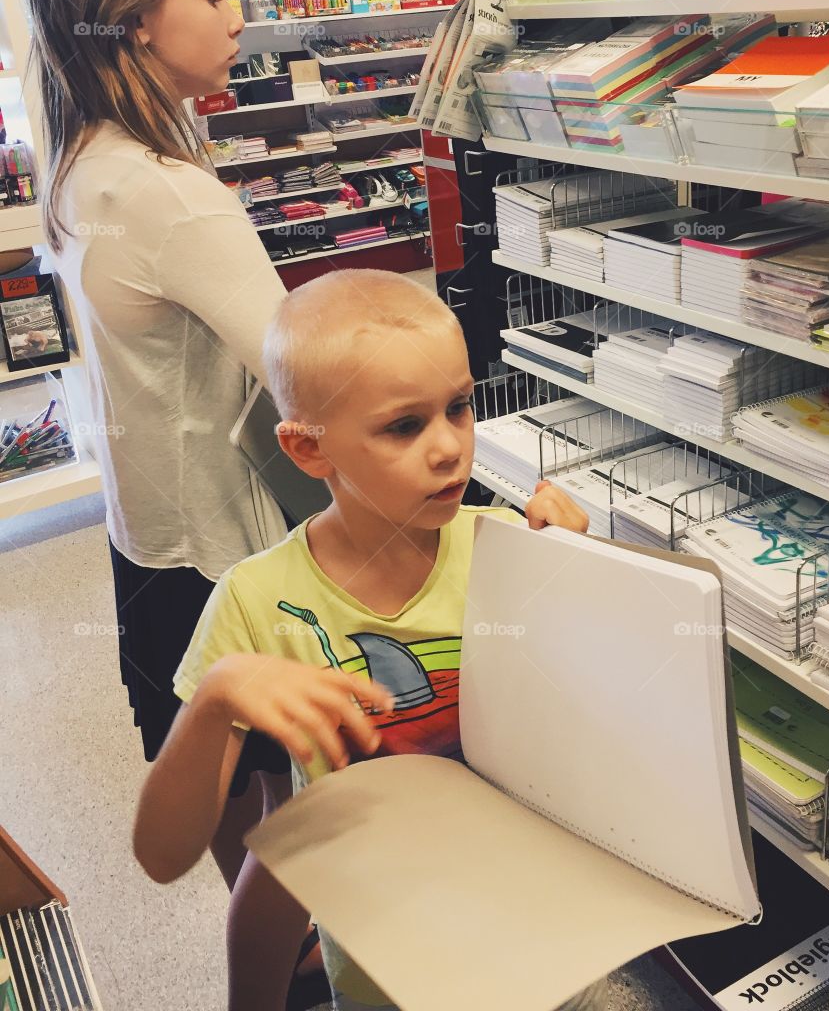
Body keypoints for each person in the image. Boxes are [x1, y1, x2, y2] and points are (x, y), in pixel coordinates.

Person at [133, 269, 607, 1011]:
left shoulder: (514, 549)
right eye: (404, 425)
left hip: (533, 925)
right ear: (309, 450)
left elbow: (594, 732)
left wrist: (582, 580)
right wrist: (216, 701)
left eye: (460, 407)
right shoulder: (260, 602)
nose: (451, 448)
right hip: (384, 959)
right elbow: (162, 855)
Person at [17, 0, 310, 996]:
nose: (236, 8)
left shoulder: (81, 161)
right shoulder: (173, 195)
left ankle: (287, 960)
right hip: (228, 554)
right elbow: (304, 373)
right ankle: (283, 972)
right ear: (138, 15)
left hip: (145, 540)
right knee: (286, 806)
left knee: (234, 803)